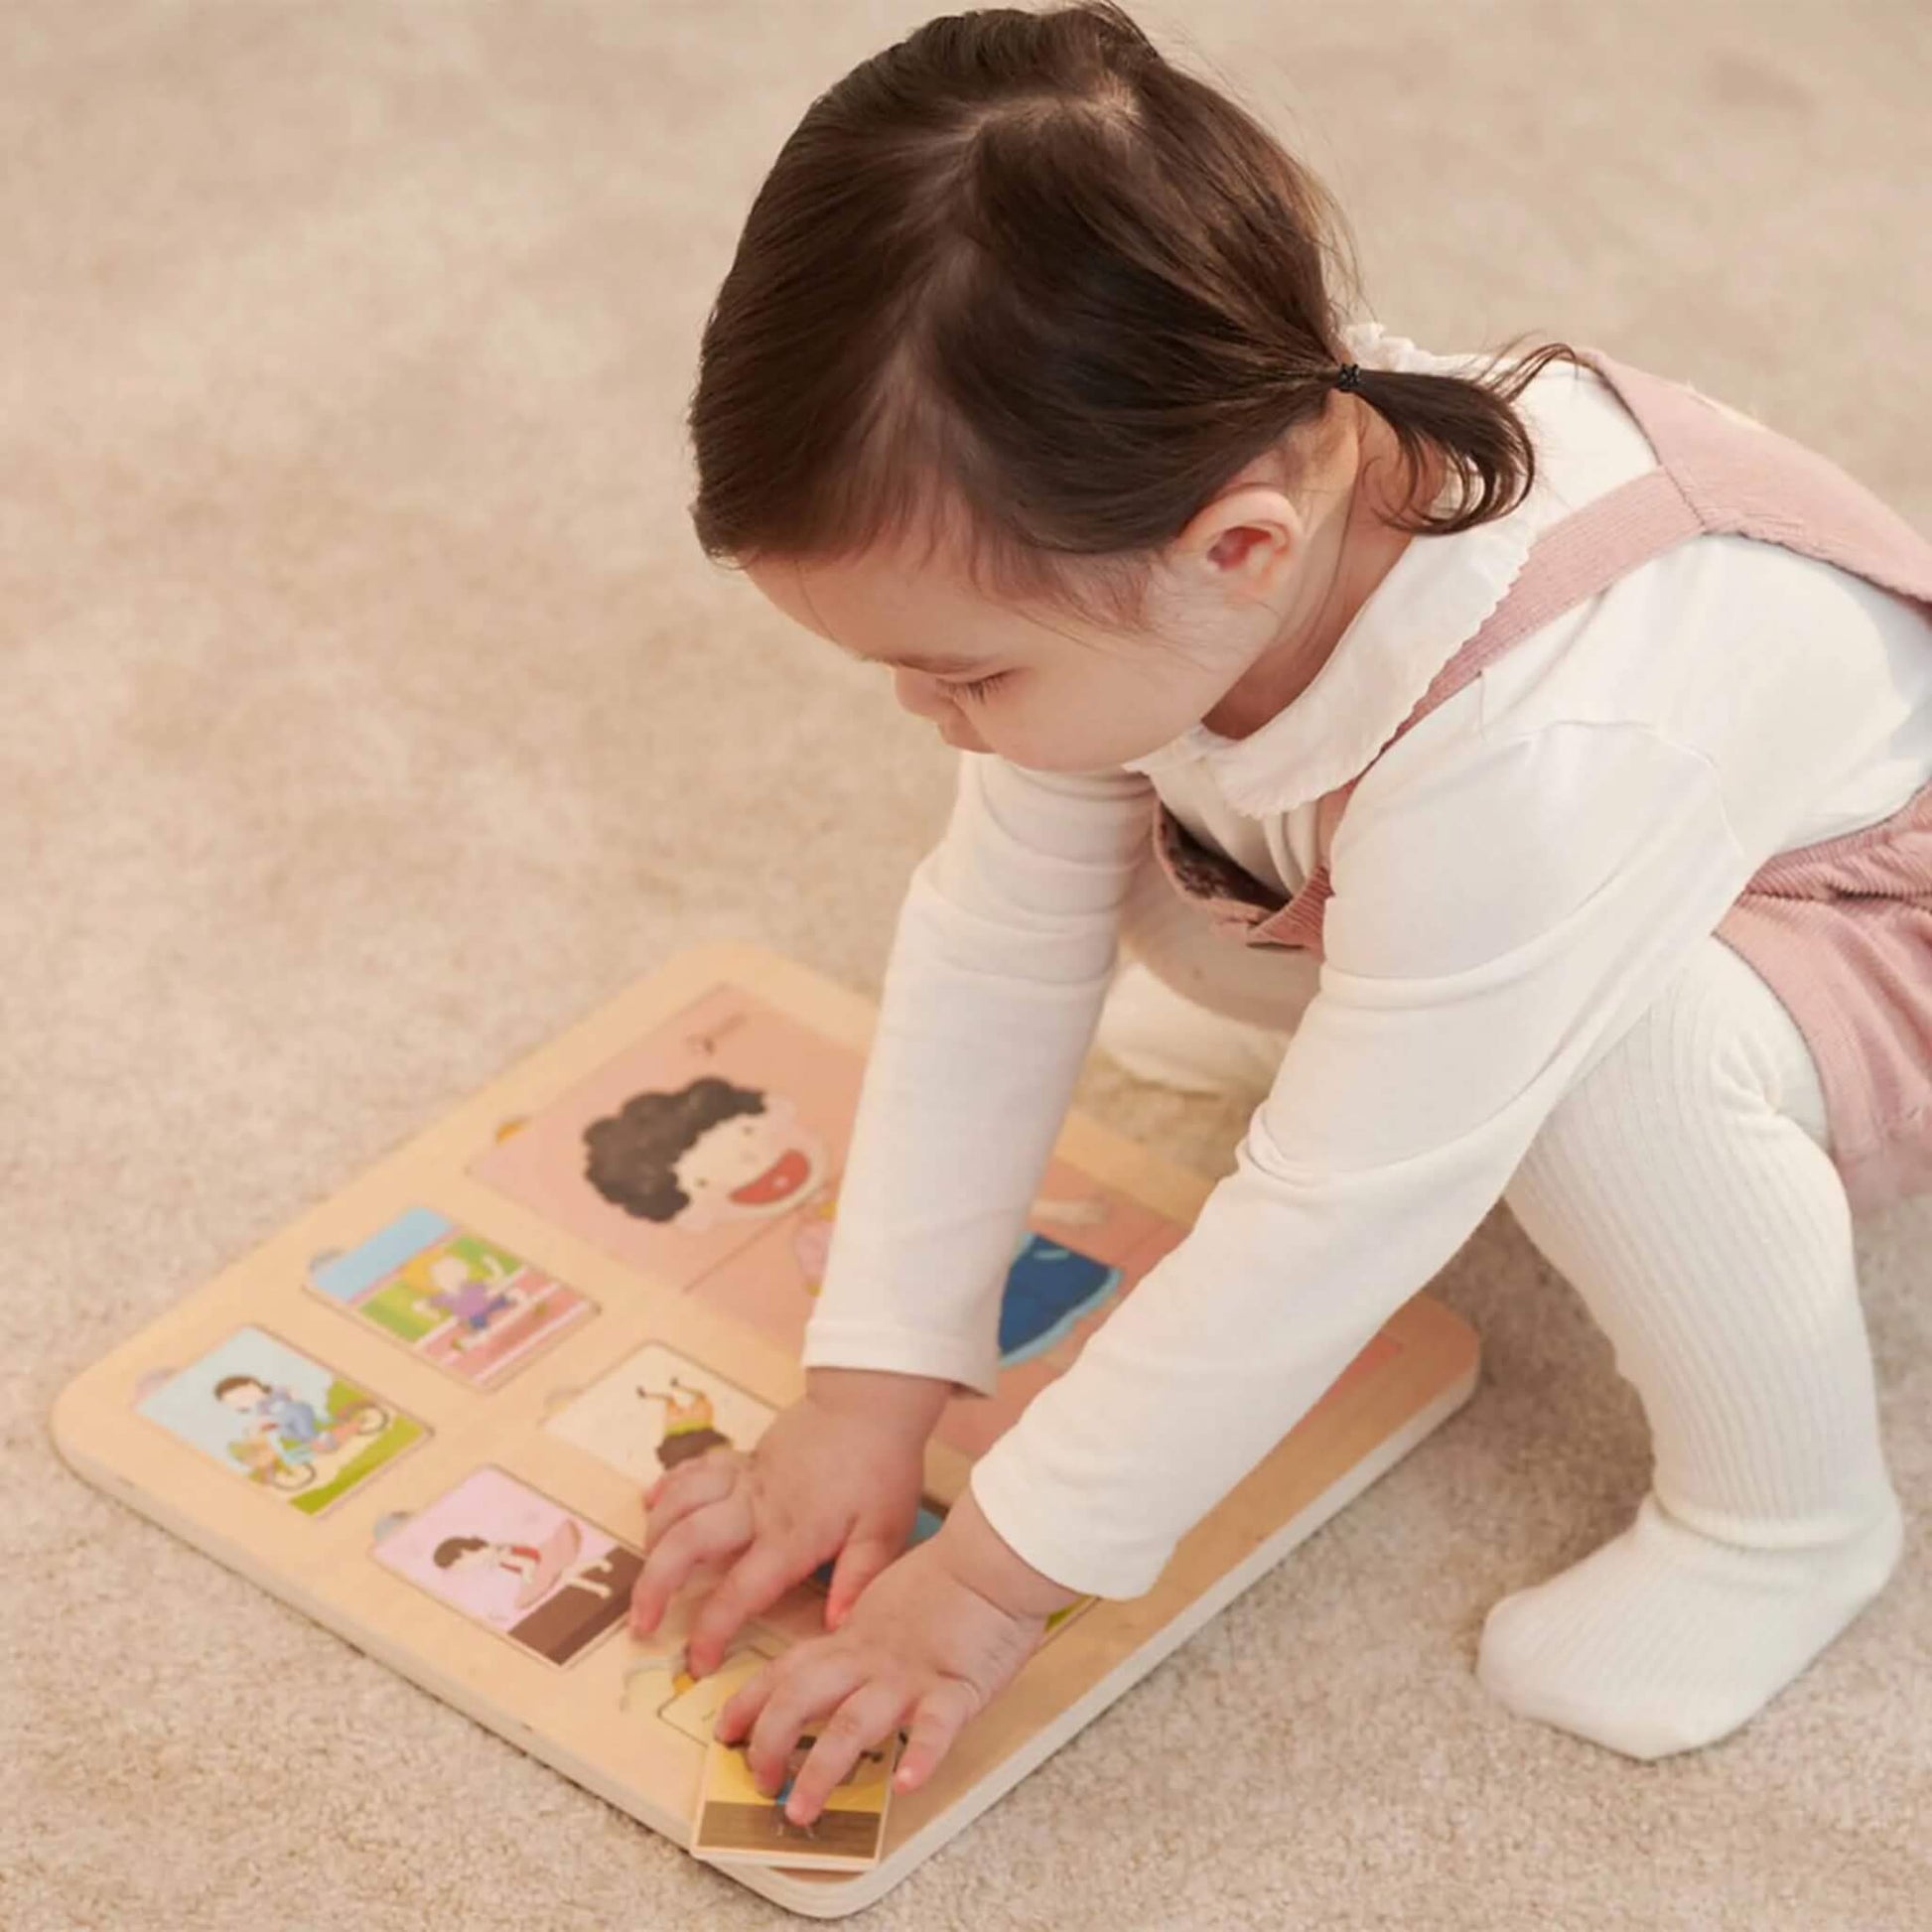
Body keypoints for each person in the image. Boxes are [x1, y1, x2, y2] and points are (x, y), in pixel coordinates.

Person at [627, 2, 1932, 1826]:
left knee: (1592, 1075)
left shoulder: (1548, 736)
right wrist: (870, 1385)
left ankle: (1782, 1518)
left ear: (1235, 549)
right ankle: (1375, 991)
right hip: (1442, 859)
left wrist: (991, 1582)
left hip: (1858, 925)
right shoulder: (1193, 503)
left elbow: (1340, 1215)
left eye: (961, 672)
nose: (926, 717)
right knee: (1080, 855)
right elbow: (992, 945)